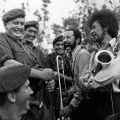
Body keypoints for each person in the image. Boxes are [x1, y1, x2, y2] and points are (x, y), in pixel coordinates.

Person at [0, 9, 55, 120]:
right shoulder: (2, 38)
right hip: (14, 102)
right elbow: (9, 63)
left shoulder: (24, 45)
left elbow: (36, 67)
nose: (19, 27)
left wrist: (49, 80)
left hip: (33, 99)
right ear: (6, 24)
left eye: (21, 24)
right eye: (15, 23)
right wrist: (41, 75)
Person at [79, 9, 120, 120]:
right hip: (96, 104)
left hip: (115, 102)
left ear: (105, 27)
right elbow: (89, 74)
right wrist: (84, 78)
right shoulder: (94, 54)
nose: (91, 32)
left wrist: (90, 82)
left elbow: (115, 72)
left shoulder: (119, 45)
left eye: (94, 27)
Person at [60, 28, 90, 120]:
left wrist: (71, 106)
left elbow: (84, 85)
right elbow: (78, 82)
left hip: (86, 103)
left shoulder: (83, 54)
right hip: (81, 101)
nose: (65, 40)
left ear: (77, 40)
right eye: (64, 38)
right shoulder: (73, 56)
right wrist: (70, 92)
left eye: (68, 37)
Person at [45, 35, 73, 119]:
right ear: (53, 46)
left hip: (68, 93)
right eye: (57, 44)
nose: (60, 47)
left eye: (62, 44)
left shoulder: (69, 59)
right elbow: (48, 75)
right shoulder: (48, 58)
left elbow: (73, 80)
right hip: (53, 94)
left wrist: (59, 75)